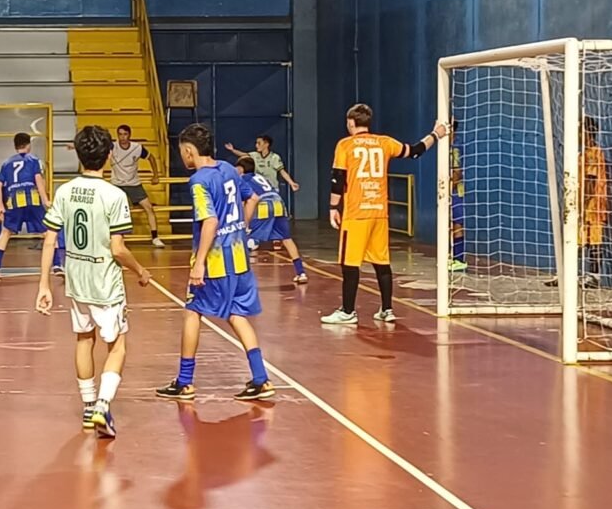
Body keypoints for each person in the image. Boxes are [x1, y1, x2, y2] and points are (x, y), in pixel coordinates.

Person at [36, 125, 152, 439]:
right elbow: (118, 249)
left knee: (84, 338)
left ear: (78, 154)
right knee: (118, 345)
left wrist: (44, 284)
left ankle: (88, 407)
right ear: (109, 155)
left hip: (76, 277)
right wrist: (140, 271)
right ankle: (102, 404)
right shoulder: (115, 195)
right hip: (105, 281)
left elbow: (50, 240)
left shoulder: (65, 190)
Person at [156, 123, 275, 402]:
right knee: (235, 313)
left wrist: (199, 264)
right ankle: (261, 378)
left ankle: (184, 382)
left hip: (216, 260)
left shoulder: (199, 181)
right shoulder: (228, 169)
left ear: (189, 151)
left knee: (192, 311)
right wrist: (241, 227)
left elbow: (209, 221)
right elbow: (252, 197)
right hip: (239, 257)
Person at [322, 104, 447, 325]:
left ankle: (348, 311)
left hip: (356, 213)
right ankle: (387, 309)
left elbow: (338, 179)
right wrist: (436, 134)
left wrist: (333, 208)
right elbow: (415, 151)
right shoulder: (385, 143)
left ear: (350, 123)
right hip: (379, 212)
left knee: (350, 264)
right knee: (381, 262)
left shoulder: (345, 145)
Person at [547, 116, 607, 289]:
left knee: (594, 242)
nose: (577, 135)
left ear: (588, 132)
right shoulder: (581, 155)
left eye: (580, 131)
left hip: (593, 206)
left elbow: (591, 180)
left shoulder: (594, 153)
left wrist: (582, 203)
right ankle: (567, 273)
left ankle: (594, 276)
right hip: (581, 206)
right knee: (575, 241)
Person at [236, 156, 307, 284]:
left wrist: (245, 222)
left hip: (264, 205)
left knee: (246, 237)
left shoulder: (242, 180)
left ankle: (240, 277)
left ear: (240, 169)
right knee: (286, 238)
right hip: (279, 204)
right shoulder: (260, 177)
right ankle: (301, 272)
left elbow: (247, 201)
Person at [0, 132, 51, 280]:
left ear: (15, 146)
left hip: (14, 201)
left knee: (5, 233)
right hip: (32, 199)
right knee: (47, 232)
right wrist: (45, 200)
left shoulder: (6, 163)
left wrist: (0, 205)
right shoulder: (34, 160)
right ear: (29, 145)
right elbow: (38, 180)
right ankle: (57, 265)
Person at [110, 124, 165, 247]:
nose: (122, 137)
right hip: (116, 184)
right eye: (120, 134)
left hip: (134, 184)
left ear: (129, 135)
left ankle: (155, 237)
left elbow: (151, 158)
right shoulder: (112, 146)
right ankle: (112, 238)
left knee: (149, 208)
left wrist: (155, 175)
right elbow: (96, 149)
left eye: (125, 134)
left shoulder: (137, 148)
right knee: (111, 210)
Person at [449, 119, 467, 272]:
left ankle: (459, 259)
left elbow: (457, 172)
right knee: (450, 224)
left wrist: (449, 188)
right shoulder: (448, 147)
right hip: (451, 191)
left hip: (456, 192)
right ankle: (453, 256)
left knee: (457, 224)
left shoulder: (455, 147)